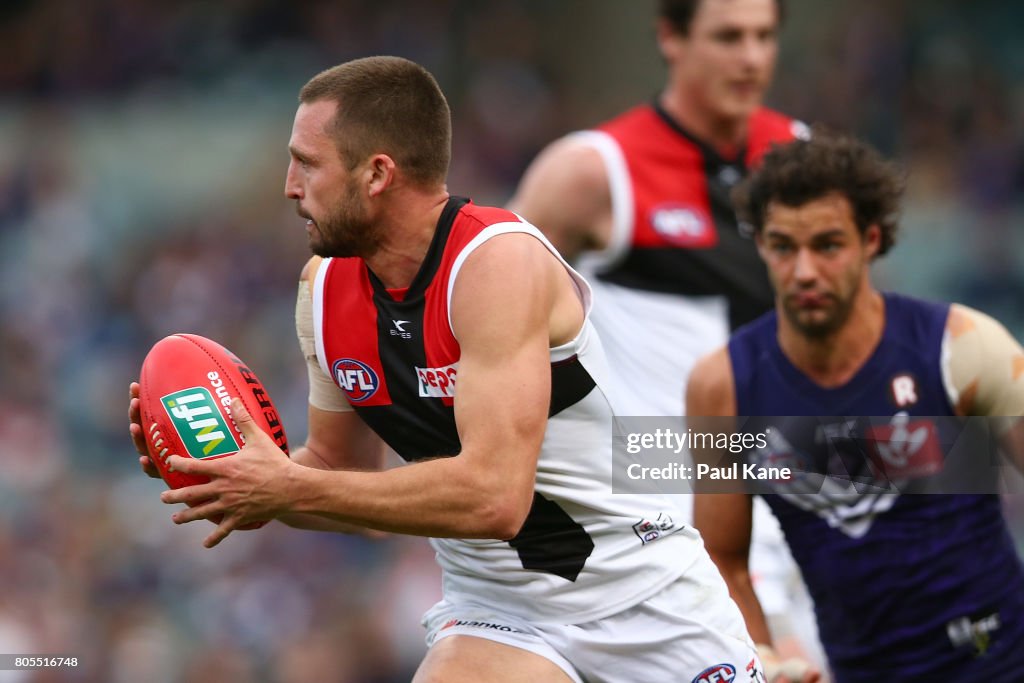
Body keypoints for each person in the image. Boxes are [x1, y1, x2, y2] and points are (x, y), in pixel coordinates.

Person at [129, 56, 768, 683]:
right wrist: (234, 478)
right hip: (500, 614)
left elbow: (495, 497)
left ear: (377, 173)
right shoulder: (321, 291)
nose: (289, 186)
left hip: (647, 603)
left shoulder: (497, 264)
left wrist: (286, 489)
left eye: (307, 163)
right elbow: (337, 479)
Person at [507, 0, 822, 675]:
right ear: (671, 39)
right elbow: (490, 305)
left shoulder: (801, 156)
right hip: (668, 502)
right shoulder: (594, 172)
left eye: (765, 37)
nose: (751, 57)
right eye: (729, 37)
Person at [687, 129, 1024, 682]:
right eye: (782, 246)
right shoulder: (721, 386)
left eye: (827, 245)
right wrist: (765, 661)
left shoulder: (960, 347)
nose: (803, 272)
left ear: (871, 240)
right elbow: (725, 561)